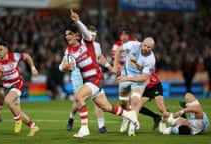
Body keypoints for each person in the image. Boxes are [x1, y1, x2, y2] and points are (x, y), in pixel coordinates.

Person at [59, 9, 138, 138]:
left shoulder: (87, 42)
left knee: (79, 97)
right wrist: (64, 67)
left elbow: (86, 32)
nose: (67, 36)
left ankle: (84, 128)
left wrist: (77, 21)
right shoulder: (68, 51)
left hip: (96, 77)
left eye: (69, 34)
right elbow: (60, 66)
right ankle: (129, 115)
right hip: (89, 81)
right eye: (65, 34)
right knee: (106, 107)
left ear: (77, 35)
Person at [111, 27, 161, 131]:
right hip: (125, 76)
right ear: (141, 43)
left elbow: (143, 77)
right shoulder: (133, 45)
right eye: (145, 45)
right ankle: (126, 117)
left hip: (138, 81)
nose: (146, 48)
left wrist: (128, 78)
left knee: (134, 102)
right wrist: (115, 66)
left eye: (149, 47)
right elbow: (119, 50)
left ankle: (132, 128)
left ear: (152, 49)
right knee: (123, 103)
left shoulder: (151, 60)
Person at [66, 25, 112, 134]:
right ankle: (71, 117)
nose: (93, 37)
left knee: (99, 102)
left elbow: (99, 57)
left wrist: (109, 66)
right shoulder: (83, 43)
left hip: (94, 76)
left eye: (94, 35)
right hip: (79, 75)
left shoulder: (96, 45)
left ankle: (101, 127)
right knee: (78, 100)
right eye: (91, 35)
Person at [0, 41, 40, 136]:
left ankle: (17, 121)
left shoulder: (14, 56)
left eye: (0, 49)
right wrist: (1, 72)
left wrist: (33, 68)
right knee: (18, 111)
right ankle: (33, 126)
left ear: (6, 49)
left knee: (8, 101)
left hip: (17, 83)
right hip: (7, 87)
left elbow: (27, 56)